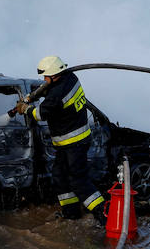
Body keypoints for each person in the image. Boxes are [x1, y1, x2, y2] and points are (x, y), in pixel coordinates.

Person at [19, 56, 106, 221]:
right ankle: (71, 214)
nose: (44, 80)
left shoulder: (56, 94)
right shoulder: (71, 78)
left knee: (79, 181)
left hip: (75, 143)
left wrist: (26, 108)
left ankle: (103, 214)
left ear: (54, 75)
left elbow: (40, 114)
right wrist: (37, 93)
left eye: (46, 77)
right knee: (59, 177)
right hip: (68, 143)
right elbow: (52, 92)